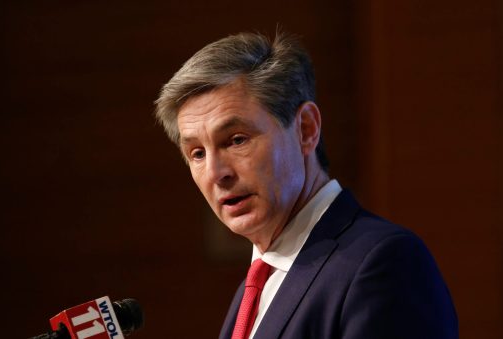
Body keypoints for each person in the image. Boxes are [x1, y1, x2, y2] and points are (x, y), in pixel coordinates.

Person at [154, 31, 458, 339]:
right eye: (197, 153)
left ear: (305, 129)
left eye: (236, 140)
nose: (216, 173)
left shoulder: (384, 264)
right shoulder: (257, 284)